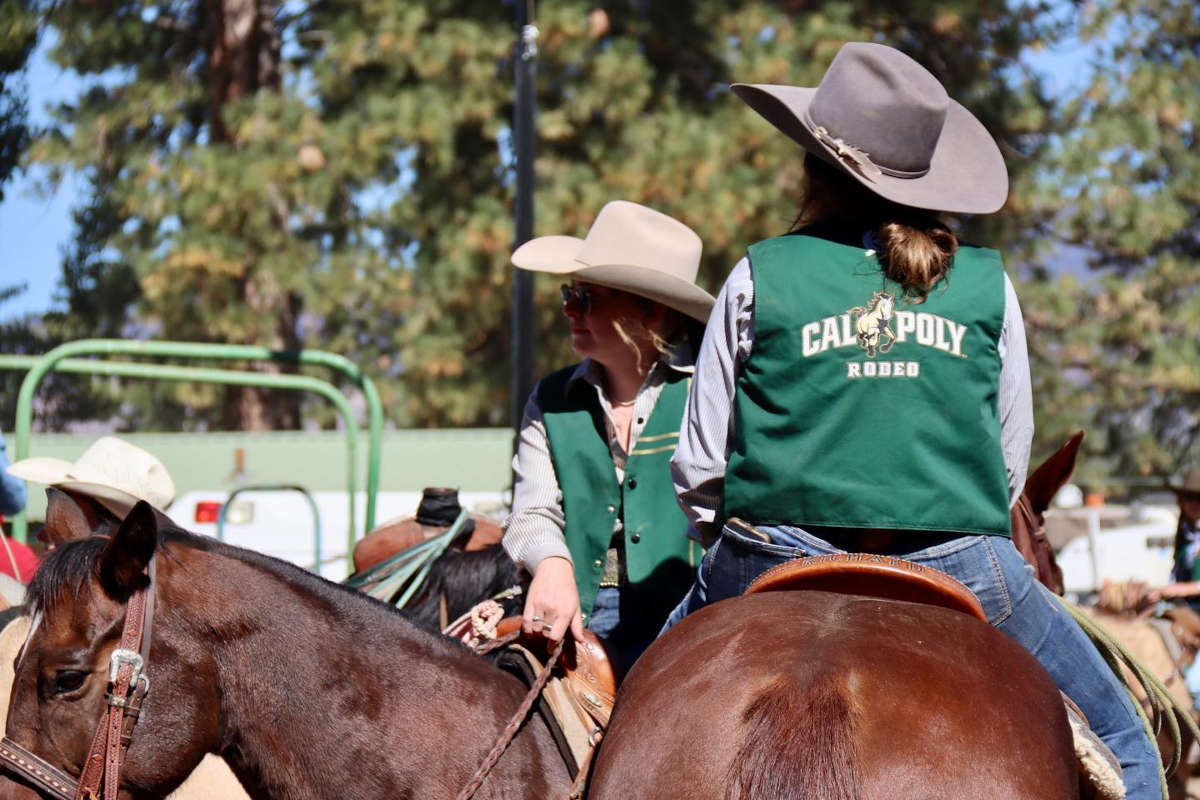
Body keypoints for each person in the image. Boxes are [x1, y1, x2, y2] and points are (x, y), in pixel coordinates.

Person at [665, 42, 1161, 798]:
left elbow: (700, 472)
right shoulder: (989, 286)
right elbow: (1003, 472)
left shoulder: (759, 272)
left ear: (814, 166)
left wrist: (731, 534)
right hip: (958, 562)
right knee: (1128, 740)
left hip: (770, 555)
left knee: (624, 711)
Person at [502, 200, 714, 671]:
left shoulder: (711, 388)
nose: (569, 310)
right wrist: (552, 565)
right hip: (574, 615)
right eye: (568, 295)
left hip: (695, 614)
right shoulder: (551, 398)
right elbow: (531, 511)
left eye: (588, 299)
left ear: (653, 312)